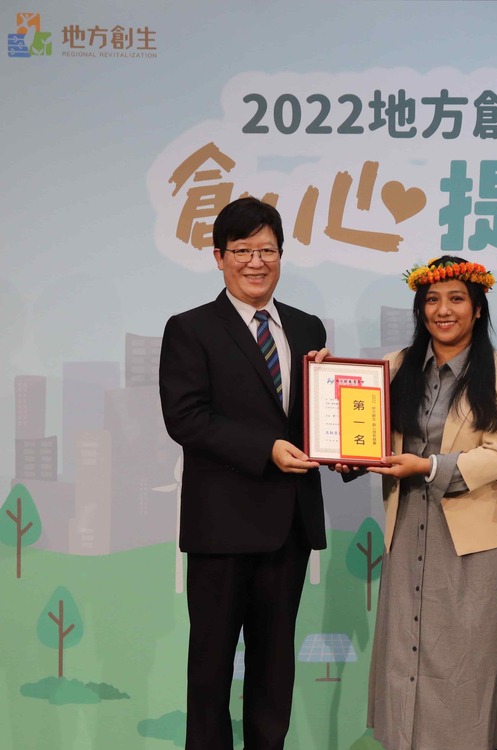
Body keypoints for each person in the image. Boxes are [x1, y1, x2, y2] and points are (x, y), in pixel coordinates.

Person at [331, 256, 497, 750]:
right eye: (431, 300)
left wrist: (427, 467)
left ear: (479, 307)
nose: (442, 310)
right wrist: (351, 456)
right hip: (407, 533)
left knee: (469, 667)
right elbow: (370, 435)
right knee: (407, 656)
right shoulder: (396, 367)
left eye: (456, 298)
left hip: (477, 541)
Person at [159, 196, 328, 750]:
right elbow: (186, 418)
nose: (257, 262)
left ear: (281, 254)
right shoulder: (190, 329)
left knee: (274, 671)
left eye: (267, 250)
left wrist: (332, 405)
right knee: (210, 672)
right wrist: (268, 449)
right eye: (243, 251)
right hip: (222, 528)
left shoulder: (306, 328)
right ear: (218, 257)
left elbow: (312, 422)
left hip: (289, 526)